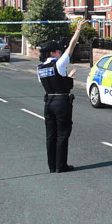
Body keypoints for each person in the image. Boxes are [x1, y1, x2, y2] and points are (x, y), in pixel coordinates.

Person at [37, 20, 87, 173]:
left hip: (48, 103)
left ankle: (52, 166)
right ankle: (61, 166)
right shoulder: (58, 64)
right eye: (58, 52)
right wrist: (78, 29)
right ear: (52, 53)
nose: (61, 53)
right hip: (61, 102)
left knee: (50, 135)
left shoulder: (40, 68)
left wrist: (68, 78)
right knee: (63, 134)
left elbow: (52, 82)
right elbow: (71, 48)